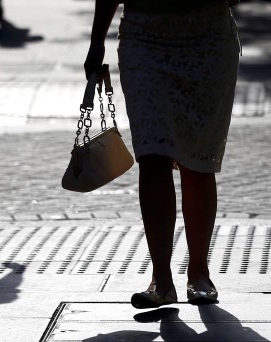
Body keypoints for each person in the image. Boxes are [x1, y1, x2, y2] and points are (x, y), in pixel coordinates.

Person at [84, 0, 240, 309]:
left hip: (207, 38)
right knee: (152, 155)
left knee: (198, 160)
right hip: (145, 39)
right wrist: (96, 41)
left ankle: (199, 274)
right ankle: (161, 279)